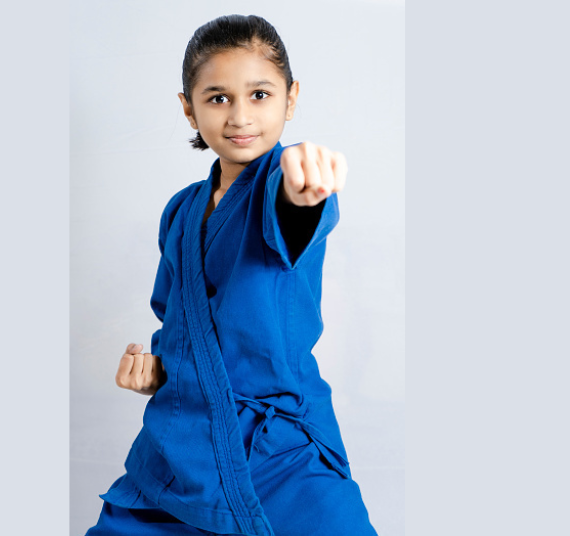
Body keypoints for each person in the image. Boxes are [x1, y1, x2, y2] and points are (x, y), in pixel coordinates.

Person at [85, 14, 377, 536]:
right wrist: (158, 370)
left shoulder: (283, 184)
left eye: (260, 94)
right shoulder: (180, 212)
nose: (241, 115)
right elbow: (177, 321)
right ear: (188, 109)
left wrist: (305, 189)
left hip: (278, 448)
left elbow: (294, 214)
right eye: (218, 97)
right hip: (181, 445)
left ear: (290, 99)